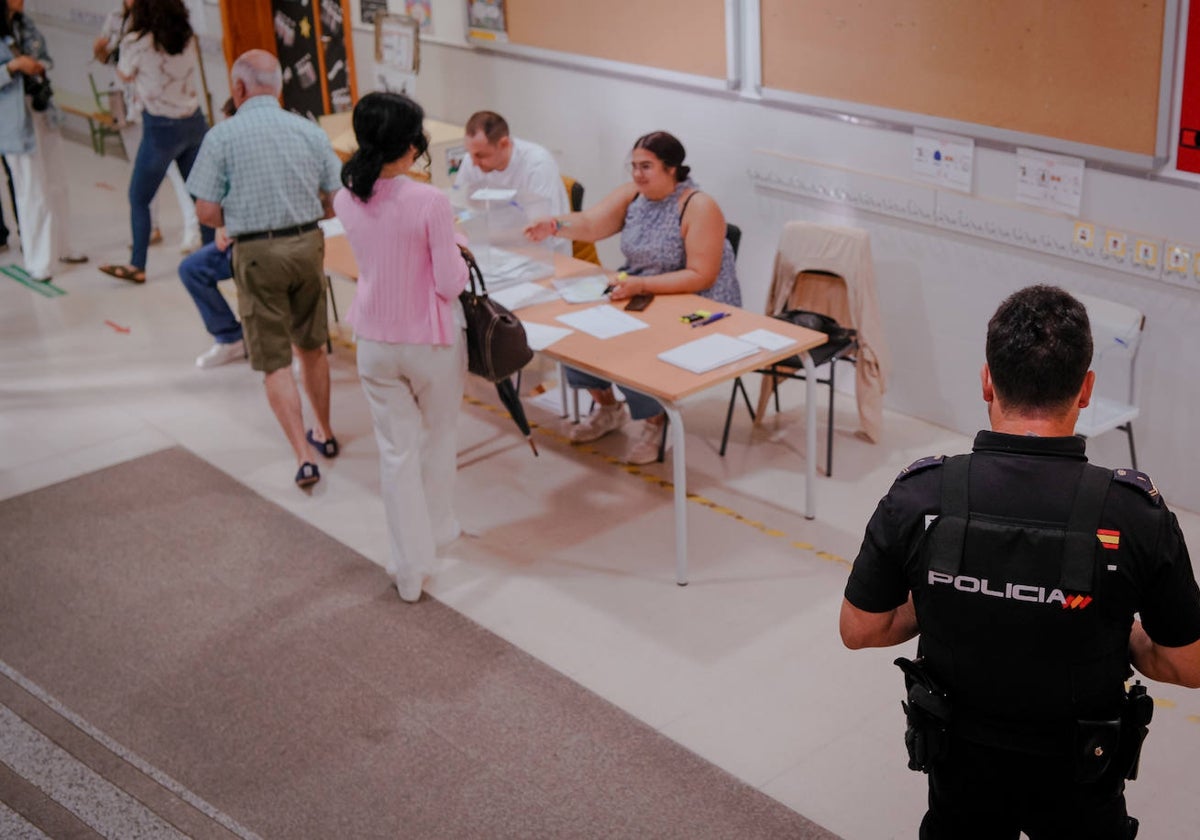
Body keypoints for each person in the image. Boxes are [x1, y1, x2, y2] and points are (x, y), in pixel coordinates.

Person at [840, 285, 1200, 839]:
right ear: (1086, 391)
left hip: (960, 776)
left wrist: (941, 594)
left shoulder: (920, 495)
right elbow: (1186, 665)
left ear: (987, 379)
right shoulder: (1138, 516)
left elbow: (860, 628)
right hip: (1084, 776)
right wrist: (1114, 626)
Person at [525, 130, 741, 465]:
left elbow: (702, 275)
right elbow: (592, 224)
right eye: (634, 166)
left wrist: (642, 286)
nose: (637, 174)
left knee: (631, 345)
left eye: (647, 166)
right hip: (640, 289)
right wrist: (554, 225)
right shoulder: (633, 195)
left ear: (672, 169)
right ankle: (609, 408)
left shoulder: (699, 206)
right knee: (576, 333)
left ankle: (655, 423)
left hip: (695, 301)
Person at [334, 92, 468, 602]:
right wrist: (454, 243)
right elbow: (450, 283)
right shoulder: (430, 201)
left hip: (372, 337)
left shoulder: (345, 197)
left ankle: (408, 567)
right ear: (411, 145)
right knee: (438, 439)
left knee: (395, 454)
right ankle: (436, 534)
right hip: (429, 340)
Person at [186, 49, 342, 488]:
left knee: (274, 360)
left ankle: (303, 456)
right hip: (307, 245)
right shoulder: (308, 130)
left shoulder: (221, 137)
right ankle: (326, 433)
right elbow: (335, 196)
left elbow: (206, 209)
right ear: (279, 86)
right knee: (312, 346)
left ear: (238, 88)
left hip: (256, 253)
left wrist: (235, 218)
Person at [99, 0, 209, 284]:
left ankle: (138, 265)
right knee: (200, 195)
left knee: (139, 197)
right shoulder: (185, 35)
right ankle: (213, 256)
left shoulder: (137, 42)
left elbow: (123, 74)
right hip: (194, 123)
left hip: (161, 128)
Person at [0, 0, 87, 282]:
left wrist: (38, 65)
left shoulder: (26, 24)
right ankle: (38, 260)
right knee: (30, 191)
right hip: (13, 119)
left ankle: (64, 246)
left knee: (57, 182)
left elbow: (47, 56)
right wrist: (13, 67)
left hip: (41, 110)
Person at [454, 110, 570, 255]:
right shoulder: (471, 161)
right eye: (469, 153)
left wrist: (479, 236)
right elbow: (463, 211)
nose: (474, 163)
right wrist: (461, 224)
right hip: (492, 251)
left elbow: (537, 229)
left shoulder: (537, 164)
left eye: (481, 155)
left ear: (504, 144)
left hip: (544, 254)